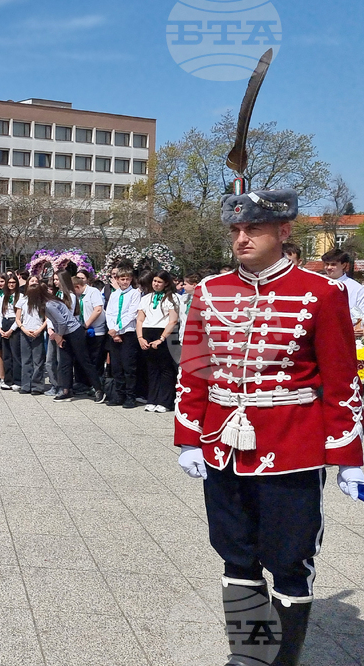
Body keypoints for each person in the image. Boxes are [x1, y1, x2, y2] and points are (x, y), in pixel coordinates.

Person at [176, 186, 364, 665]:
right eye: (236, 230)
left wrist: (347, 455)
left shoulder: (321, 292)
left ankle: (281, 662)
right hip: (223, 446)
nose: (241, 238)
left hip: (293, 448)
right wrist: (190, 438)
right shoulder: (208, 292)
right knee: (235, 554)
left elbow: (342, 378)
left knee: (289, 561)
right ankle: (250, 655)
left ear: (283, 231)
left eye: (253, 228)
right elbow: (194, 371)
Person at [25, 282, 105, 402]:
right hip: (64, 333)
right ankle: (65, 390)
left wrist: (59, 336)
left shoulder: (50, 305)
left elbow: (62, 322)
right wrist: (60, 335)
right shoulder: (48, 303)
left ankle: (99, 389)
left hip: (74, 332)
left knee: (84, 361)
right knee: (64, 363)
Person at [135, 270, 180, 413]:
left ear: (166, 283)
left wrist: (161, 338)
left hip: (163, 334)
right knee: (151, 369)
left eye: (159, 282)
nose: (156, 284)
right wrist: (140, 337)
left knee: (165, 369)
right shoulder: (146, 298)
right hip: (147, 332)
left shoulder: (172, 298)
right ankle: (152, 399)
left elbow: (173, 320)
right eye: (154, 281)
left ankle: (164, 401)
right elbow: (140, 319)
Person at [105, 267, 141, 408]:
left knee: (128, 366)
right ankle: (118, 395)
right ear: (117, 280)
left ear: (131, 279)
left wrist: (118, 329)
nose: (125, 282)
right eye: (122, 279)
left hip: (127, 332)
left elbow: (131, 313)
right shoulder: (115, 294)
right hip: (114, 333)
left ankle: (130, 396)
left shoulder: (134, 293)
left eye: (127, 279)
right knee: (116, 367)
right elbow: (109, 313)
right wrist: (112, 330)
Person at [16, 276, 48, 394]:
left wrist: (39, 330)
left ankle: (37, 386)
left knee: (38, 361)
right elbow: (18, 319)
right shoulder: (23, 300)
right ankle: (25, 385)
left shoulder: (43, 302)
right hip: (25, 332)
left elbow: (46, 319)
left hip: (37, 332)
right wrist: (23, 329)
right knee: (26, 360)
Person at [321, 248, 364, 329]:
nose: (329, 267)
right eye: (327, 264)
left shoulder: (356, 288)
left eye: (333, 264)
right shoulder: (318, 283)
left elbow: (362, 315)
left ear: (344, 265)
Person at [0, 272, 21, 390]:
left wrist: (11, 330)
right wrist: (0, 328)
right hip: (4, 323)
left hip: (14, 324)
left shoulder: (20, 296)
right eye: (9, 282)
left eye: (13, 282)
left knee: (15, 354)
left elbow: (19, 317)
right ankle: (8, 380)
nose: (11, 284)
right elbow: (1, 313)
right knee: (6, 355)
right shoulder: (4, 296)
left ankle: (17, 380)